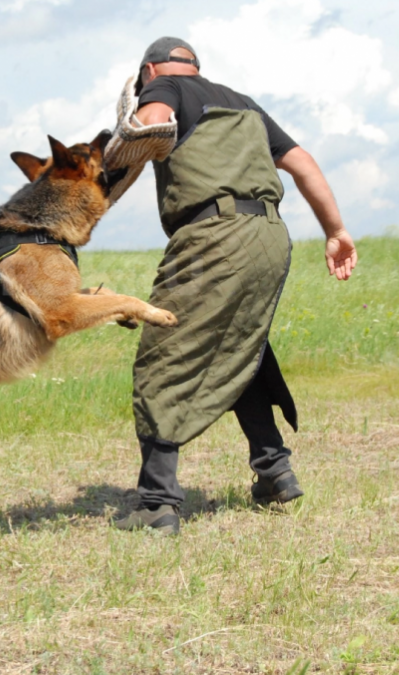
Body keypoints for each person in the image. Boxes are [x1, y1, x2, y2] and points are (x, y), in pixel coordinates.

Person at [104, 36, 358, 535]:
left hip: (214, 236)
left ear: (149, 70)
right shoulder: (243, 103)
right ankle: (274, 470)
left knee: (165, 354)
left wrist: (124, 141)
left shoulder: (166, 87)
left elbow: (152, 122)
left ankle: (156, 503)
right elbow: (302, 161)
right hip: (269, 235)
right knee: (240, 343)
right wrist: (336, 231)